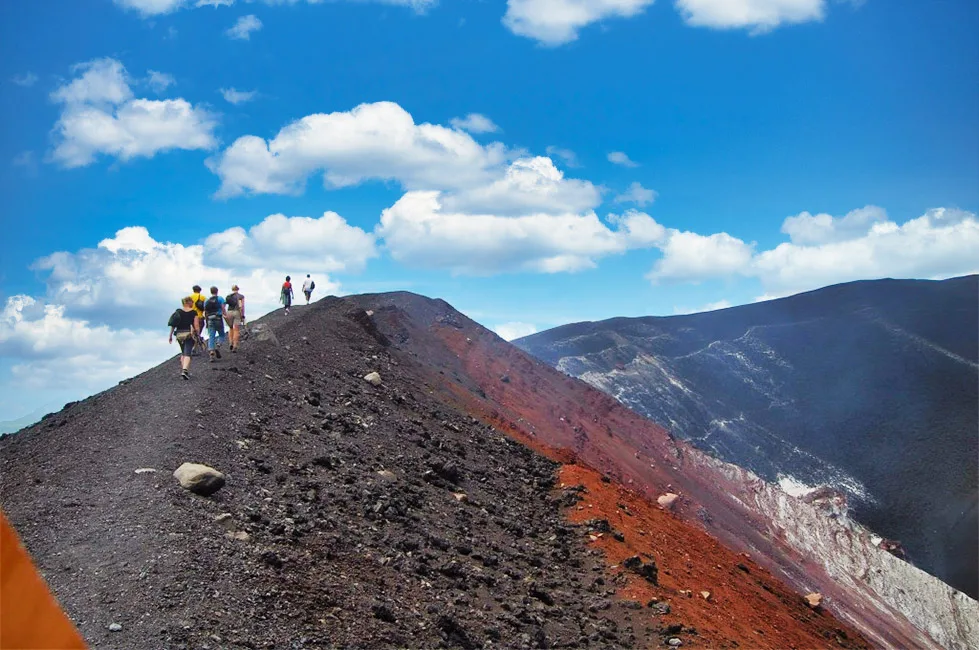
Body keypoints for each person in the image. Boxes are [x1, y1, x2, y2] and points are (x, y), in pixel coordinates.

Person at [168, 296, 199, 380]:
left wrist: (170, 335)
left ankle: (184, 370)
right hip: (188, 334)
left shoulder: (178, 312)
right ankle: (185, 370)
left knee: (183, 353)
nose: (193, 303)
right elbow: (196, 326)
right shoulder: (193, 312)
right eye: (192, 302)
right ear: (188, 302)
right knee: (187, 353)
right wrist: (197, 334)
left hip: (179, 335)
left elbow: (173, 324)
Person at [203, 286, 227, 362]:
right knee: (222, 334)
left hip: (209, 319)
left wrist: (206, 322)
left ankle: (211, 352)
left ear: (211, 292)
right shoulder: (220, 299)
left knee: (211, 336)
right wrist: (225, 315)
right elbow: (223, 308)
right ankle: (218, 344)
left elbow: (205, 311)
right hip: (218, 318)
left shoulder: (206, 300)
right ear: (217, 291)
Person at [225, 284, 245, 353]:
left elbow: (224, 304)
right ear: (238, 289)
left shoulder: (229, 296)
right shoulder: (240, 296)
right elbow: (241, 306)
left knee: (230, 328)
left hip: (229, 312)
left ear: (232, 289)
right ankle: (235, 345)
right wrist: (242, 315)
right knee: (236, 330)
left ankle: (230, 342)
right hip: (236, 312)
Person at [189, 284, 208, 354]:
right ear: (200, 290)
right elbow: (206, 308)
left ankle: (191, 347)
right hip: (199, 317)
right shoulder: (203, 297)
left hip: (191, 317)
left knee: (192, 333)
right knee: (198, 333)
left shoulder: (190, 298)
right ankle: (195, 347)